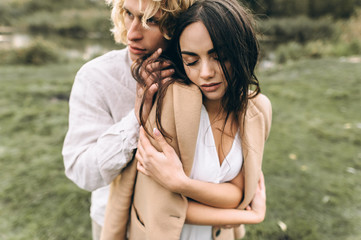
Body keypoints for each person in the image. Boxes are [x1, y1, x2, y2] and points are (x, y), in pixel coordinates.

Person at [101, 0, 272, 239]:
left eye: (219, 57)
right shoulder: (168, 104)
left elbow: (237, 192)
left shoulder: (258, 109)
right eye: (191, 60)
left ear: (241, 50)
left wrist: (182, 184)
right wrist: (249, 216)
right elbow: (161, 210)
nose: (205, 73)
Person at [61, 0, 195, 239]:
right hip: (116, 225)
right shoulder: (97, 77)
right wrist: (137, 118)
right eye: (128, 14)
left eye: (151, 21)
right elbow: (81, 171)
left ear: (178, 23)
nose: (132, 33)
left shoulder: (201, 74)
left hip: (192, 222)